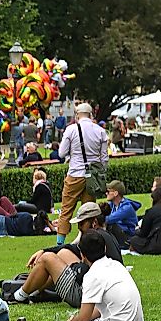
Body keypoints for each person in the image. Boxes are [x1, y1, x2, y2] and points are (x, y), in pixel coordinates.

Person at [44, 232, 145, 321]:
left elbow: (83, 319)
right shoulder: (116, 265)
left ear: (82, 255)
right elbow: (97, 310)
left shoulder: (92, 275)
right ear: (105, 248)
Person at [10, 203, 122, 307]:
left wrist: (72, 268)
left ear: (94, 222)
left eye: (81, 223)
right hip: (105, 292)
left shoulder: (93, 238)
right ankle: (35, 293)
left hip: (88, 296)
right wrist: (44, 250)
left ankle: (18, 296)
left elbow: (84, 272)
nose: (79, 227)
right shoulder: (106, 236)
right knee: (63, 253)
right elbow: (71, 248)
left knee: (47, 259)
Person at [56, 103, 108, 245]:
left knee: (66, 209)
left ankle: (60, 243)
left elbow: (61, 153)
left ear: (77, 115)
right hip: (93, 176)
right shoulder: (100, 131)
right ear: (91, 115)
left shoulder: (72, 129)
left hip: (75, 173)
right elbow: (104, 159)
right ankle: (88, 241)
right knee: (89, 211)